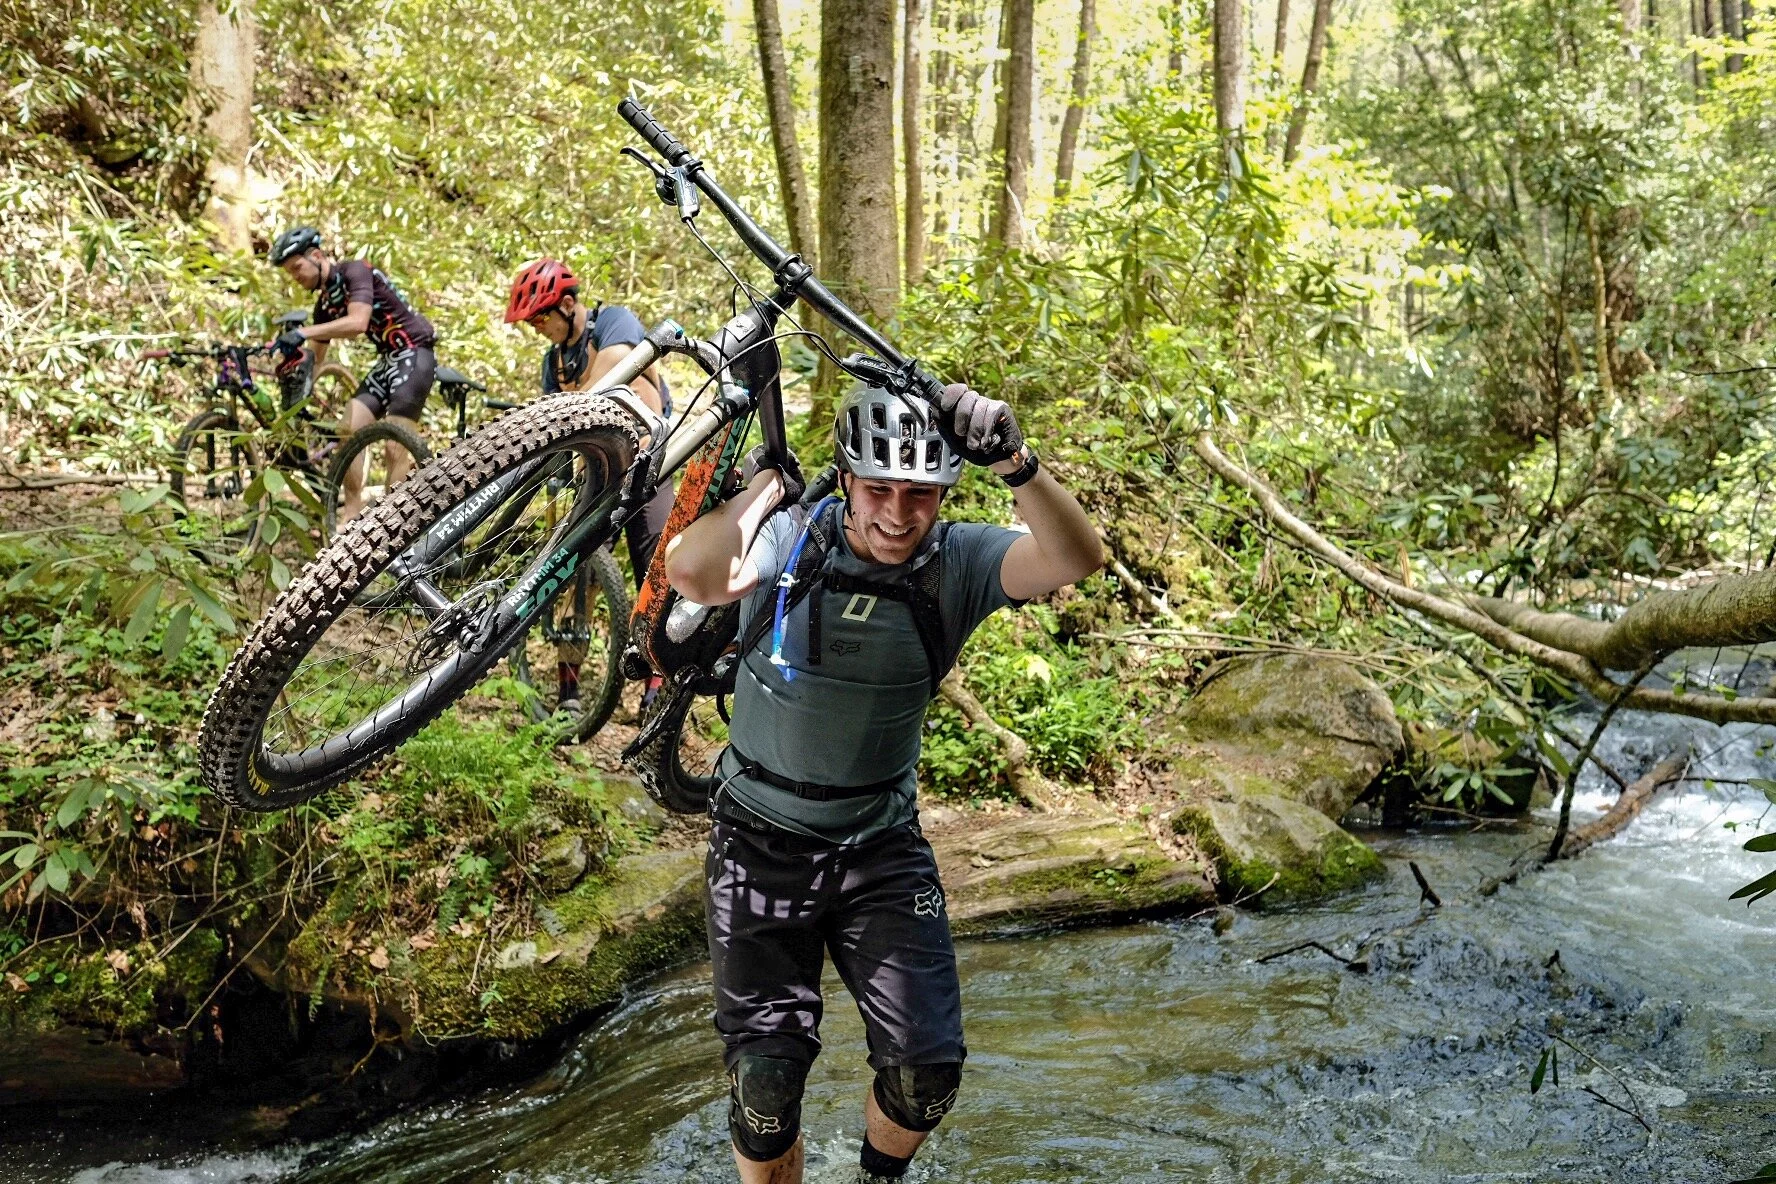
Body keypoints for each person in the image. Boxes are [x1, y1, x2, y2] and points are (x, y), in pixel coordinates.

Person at [663, 382, 1103, 1183]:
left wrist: (1014, 460)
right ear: (846, 478)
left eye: (921, 494)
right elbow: (694, 573)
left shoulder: (960, 563)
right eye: (879, 489)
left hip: (880, 849)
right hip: (757, 842)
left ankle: (876, 1178)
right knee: (764, 1091)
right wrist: (767, 488)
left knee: (925, 1077)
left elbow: (1077, 557)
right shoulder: (795, 537)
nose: (899, 514)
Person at [505, 257, 675, 713]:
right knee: (571, 569)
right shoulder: (554, 360)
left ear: (566, 305)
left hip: (649, 461)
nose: (538, 327)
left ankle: (658, 687)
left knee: (657, 568)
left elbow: (617, 369)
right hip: (591, 474)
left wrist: (567, 407)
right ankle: (569, 691)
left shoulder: (614, 321)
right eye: (532, 320)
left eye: (542, 316)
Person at [267, 226, 438, 522]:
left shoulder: (355, 271)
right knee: (349, 429)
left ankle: (394, 525)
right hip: (388, 360)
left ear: (317, 256)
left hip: (415, 352)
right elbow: (316, 361)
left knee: (395, 444)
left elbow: (358, 322)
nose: (296, 277)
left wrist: (302, 332)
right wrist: (294, 374)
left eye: (297, 268)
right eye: (290, 274)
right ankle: (353, 515)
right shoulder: (324, 304)